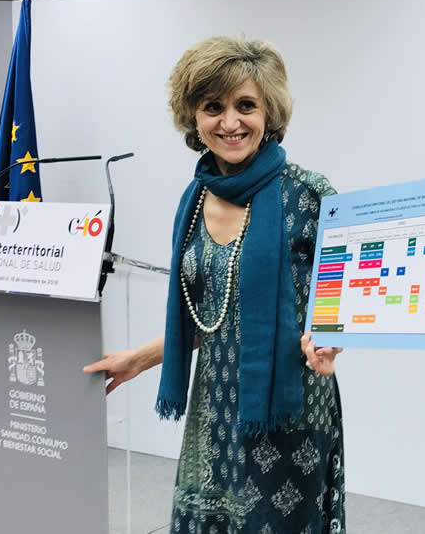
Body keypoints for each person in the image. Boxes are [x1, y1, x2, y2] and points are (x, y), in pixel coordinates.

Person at [83, 36, 346, 534]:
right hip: (215, 409)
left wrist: (332, 337)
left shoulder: (310, 195)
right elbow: (210, 319)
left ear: (269, 111)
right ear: (194, 117)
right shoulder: (194, 200)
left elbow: (353, 294)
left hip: (288, 410)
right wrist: (138, 359)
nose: (230, 122)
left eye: (245, 105)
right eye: (213, 107)